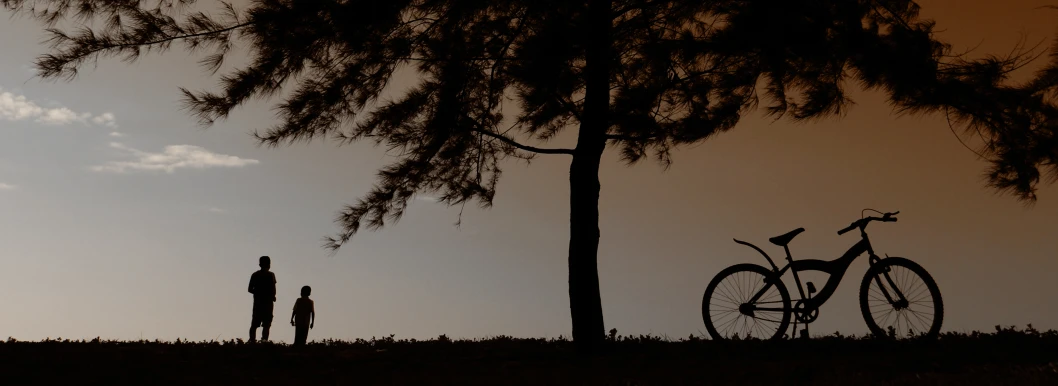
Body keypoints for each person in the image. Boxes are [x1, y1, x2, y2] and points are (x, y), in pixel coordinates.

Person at [247, 256, 277, 342]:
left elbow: (249, 289)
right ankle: (263, 341)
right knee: (265, 324)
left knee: (256, 323)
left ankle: (253, 340)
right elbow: (274, 288)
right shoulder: (271, 275)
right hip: (265, 303)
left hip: (260, 302)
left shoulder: (255, 275)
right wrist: (271, 296)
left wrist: (258, 293)